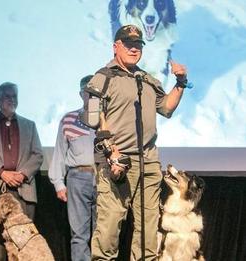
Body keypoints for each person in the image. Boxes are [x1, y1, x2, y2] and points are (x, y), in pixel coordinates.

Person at [88, 24, 189, 260]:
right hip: (117, 162)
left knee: (148, 233)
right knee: (109, 230)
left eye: (138, 45)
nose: (134, 49)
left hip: (148, 162)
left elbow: (166, 108)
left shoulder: (147, 80)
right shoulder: (103, 77)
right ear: (116, 47)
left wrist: (181, 83)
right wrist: (111, 152)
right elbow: (94, 118)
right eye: (128, 44)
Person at [0, 82, 44, 261]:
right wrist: (2, 173)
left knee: (24, 248)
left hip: (23, 190)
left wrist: (21, 175)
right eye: (7, 96)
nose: (12, 100)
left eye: (14, 96)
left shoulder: (30, 125)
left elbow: (38, 155)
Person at [48, 75, 96, 261]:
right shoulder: (69, 119)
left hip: (104, 178)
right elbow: (60, 152)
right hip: (78, 177)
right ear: (81, 94)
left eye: (95, 92)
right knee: (79, 234)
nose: (91, 96)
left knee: (104, 232)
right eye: (87, 92)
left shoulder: (109, 118)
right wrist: (58, 183)